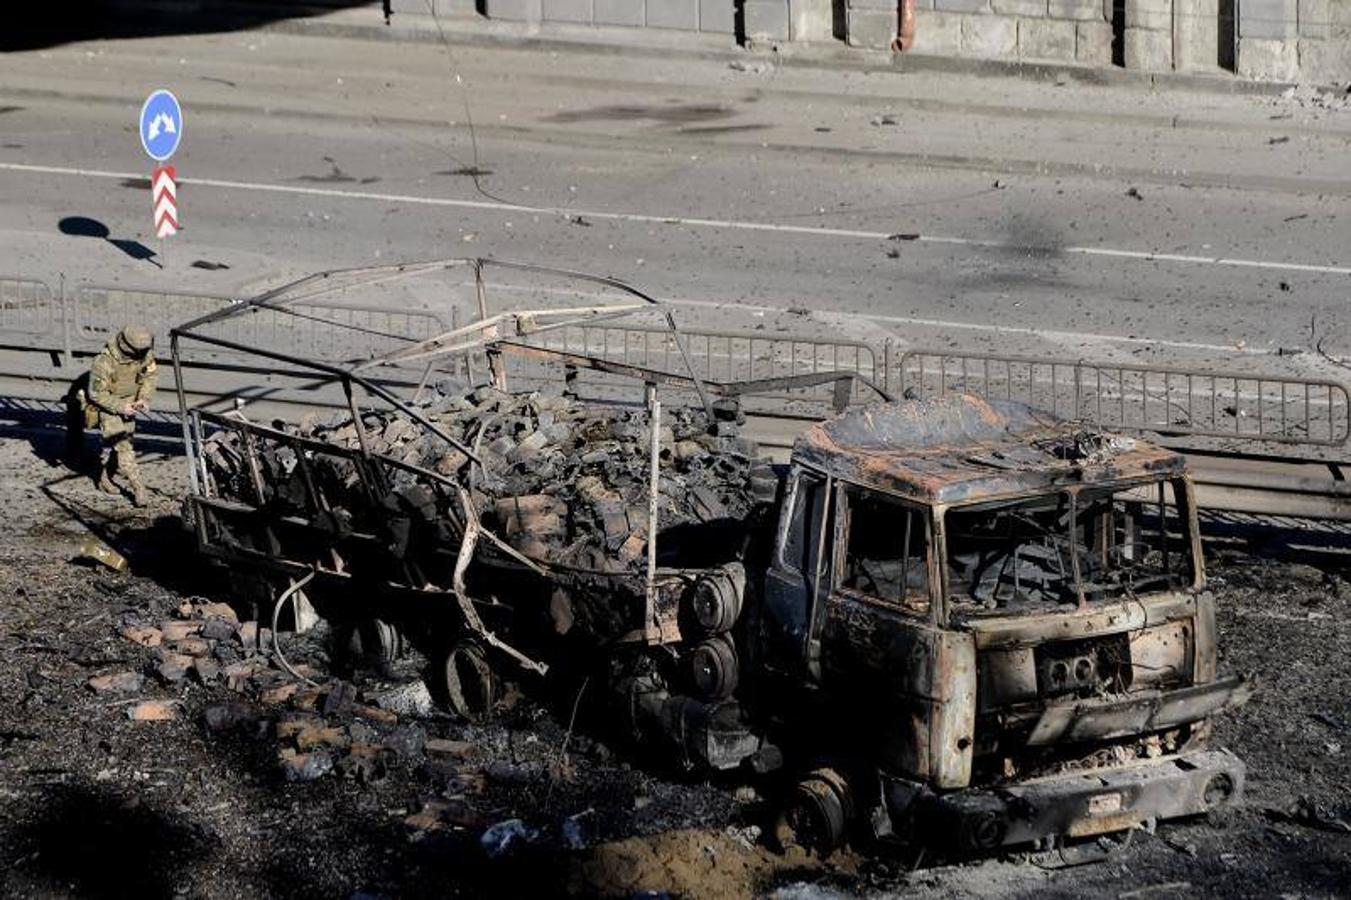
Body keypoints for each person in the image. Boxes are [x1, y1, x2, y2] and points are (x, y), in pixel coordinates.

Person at [68, 325, 157, 506]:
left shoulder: (145, 355)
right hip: (108, 408)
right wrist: (120, 406)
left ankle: (104, 478)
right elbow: (96, 394)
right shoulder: (104, 362)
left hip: (130, 405)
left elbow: (150, 376)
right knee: (123, 447)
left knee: (121, 448)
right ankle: (138, 487)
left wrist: (144, 398)